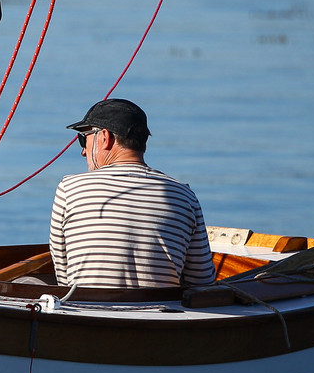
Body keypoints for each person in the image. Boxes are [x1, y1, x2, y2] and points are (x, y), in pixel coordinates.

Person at [47, 98, 215, 290]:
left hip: (89, 310)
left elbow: (63, 276)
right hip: (161, 316)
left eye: (83, 138)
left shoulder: (69, 188)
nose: (83, 152)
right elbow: (201, 283)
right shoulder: (184, 196)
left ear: (104, 137)